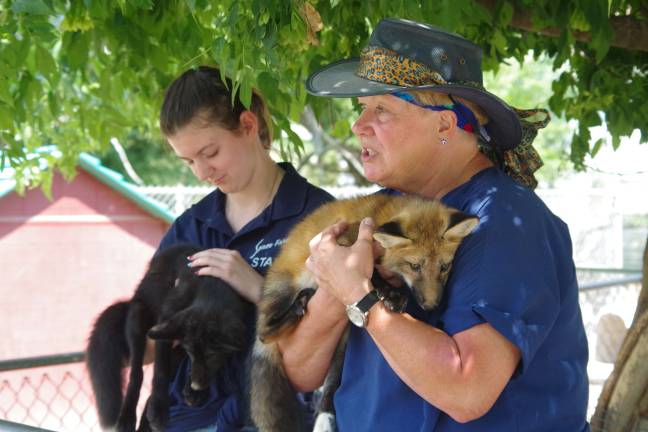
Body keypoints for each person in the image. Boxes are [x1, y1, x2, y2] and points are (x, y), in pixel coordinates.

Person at [276, 18, 590, 431]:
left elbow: (467, 390)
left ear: (444, 124)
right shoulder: (383, 215)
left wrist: (360, 294)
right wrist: (339, 290)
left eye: (382, 109)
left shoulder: (503, 221)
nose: (358, 125)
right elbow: (299, 371)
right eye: (361, 109)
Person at [154, 65, 333, 432]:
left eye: (210, 152)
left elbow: (339, 331)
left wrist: (257, 287)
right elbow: (153, 337)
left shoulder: (318, 217)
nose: (202, 172)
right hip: (187, 416)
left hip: (277, 416)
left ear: (249, 126)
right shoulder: (190, 226)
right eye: (188, 161)